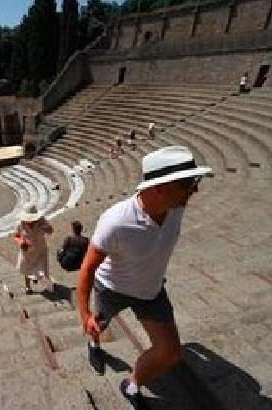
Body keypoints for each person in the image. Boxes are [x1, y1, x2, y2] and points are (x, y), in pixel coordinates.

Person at [76, 146, 211, 409]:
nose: (194, 190)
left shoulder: (175, 205)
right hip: (113, 288)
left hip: (151, 291)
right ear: (160, 188)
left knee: (171, 353)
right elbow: (87, 269)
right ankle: (93, 344)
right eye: (188, 184)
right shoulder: (115, 222)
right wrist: (84, 316)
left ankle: (132, 384)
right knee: (97, 325)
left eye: (195, 181)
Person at [14, 203, 54, 295]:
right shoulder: (20, 223)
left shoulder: (42, 220)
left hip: (40, 249)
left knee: (42, 268)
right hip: (27, 250)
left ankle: (39, 279)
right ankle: (28, 286)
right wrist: (20, 242)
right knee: (26, 268)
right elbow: (16, 236)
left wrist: (45, 228)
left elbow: (51, 231)